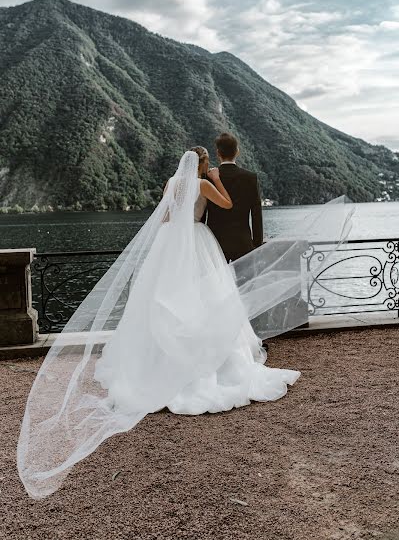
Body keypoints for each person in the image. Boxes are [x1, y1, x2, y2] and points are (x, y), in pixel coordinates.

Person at [17, 148, 302, 500]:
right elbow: (227, 206)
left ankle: (154, 362)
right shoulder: (203, 183)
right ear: (201, 164)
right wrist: (213, 180)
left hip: (168, 245)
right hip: (196, 243)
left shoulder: (170, 183)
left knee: (161, 303)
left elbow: (166, 215)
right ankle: (203, 362)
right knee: (202, 302)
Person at [206, 133, 263, 262]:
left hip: (215, 243)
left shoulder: (208, 178)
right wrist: (257, 244)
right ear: (237, 151)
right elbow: (256, 214)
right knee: (246, 282)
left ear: (218, 153)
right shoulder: (250, 177)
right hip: (243, 242)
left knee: (218, 282)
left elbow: (203, 212)